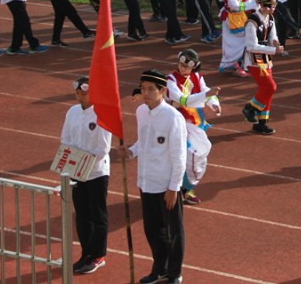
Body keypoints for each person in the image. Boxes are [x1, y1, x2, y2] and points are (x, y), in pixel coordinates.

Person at [122, 70, 186, 284]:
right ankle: (159, 268)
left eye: (151, 89)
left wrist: (174, 187)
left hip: (166, 185)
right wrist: (131, 151)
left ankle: (174, 273)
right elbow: (143, 141)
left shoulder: (173, 117)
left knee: (173, 232)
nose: (146, 93)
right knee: (152, 230)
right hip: (146, 181)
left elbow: (179, 155)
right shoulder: (141, 111)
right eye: (143, 88)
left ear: (162, 91)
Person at [60, 77, 111, 274]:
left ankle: (98, 255)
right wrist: (73, 161)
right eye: (78, 93)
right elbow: (65, 138)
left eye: (84, 93)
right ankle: (86, 253)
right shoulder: (72, 112)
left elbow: (103, 149)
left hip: (96, 172)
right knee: (81, 215)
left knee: (97, 214)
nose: (81, 96)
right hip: (76, 171)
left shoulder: (101, 113)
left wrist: (83, 162)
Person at [165, 50, 220, 206]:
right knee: (189, 156)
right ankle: (180, 188)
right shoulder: (170, 80)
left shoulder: (197, 77)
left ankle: (184, 187)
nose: (182, 68)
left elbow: (206, 92)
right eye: (181, 65)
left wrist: (214, 104)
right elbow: (183, 100)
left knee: (195, 156)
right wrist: (207, 95)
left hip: (196, 123)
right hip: (177, 124)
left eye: (186, 67)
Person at [240, 0, 284, 135]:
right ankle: (250, 108)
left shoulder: (270, 18)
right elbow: (251, 46)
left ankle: (261, 124)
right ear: (262, 6)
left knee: (266, 91)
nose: (273, 8)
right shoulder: (252, 22)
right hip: (255, 59)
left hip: (266, 58)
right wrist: (273, 50)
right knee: (270, 87)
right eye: (271, 6)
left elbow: (273, 35)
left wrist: (275, 42)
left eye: (274, 5)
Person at [219, 0, 255, 77]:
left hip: (239, 19)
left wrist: (256, 5)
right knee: (233, 43)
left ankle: (239, 63)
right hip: (230, 20)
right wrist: (252, 4)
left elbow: (248, 1)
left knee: (243, 40)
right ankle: (235, 65)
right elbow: (234, 6)